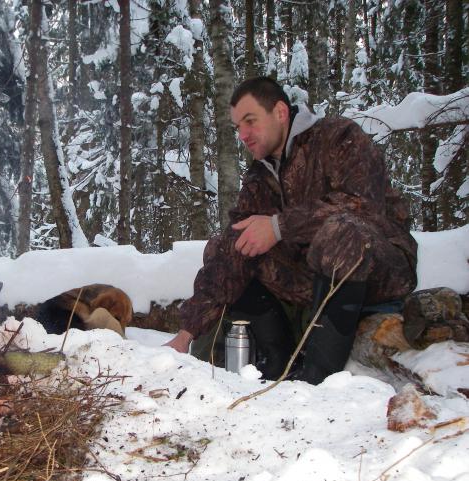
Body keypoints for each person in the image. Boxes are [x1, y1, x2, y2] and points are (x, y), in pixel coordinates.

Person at [165, 77, 417, 384]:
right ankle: (279, 362)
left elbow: (363, 205)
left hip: (378, 270)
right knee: (230, 243)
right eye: (237, 127)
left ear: (280, 112)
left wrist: (278, 227)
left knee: (340, 233)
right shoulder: (260, 175)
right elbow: (231, 252)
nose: (243, 135)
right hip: (312, 279)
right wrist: (185, 334)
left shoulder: (338, 137)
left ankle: (318, 377)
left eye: (250, 121)